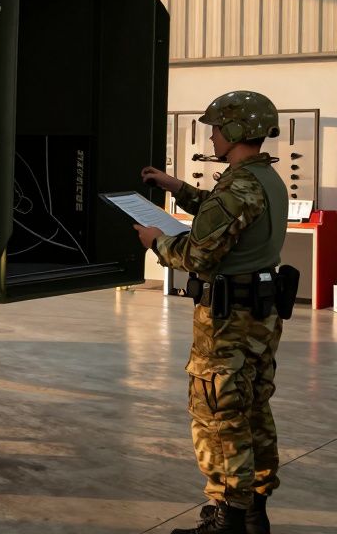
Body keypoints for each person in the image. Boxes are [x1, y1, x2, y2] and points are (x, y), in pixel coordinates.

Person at [134, 91, 287, 534]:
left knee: (218, 414)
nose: (214, 136)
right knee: (253, 407)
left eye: (217, 128)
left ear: (236, 130)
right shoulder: (263, 180)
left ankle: (228, 518)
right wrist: (176, 188)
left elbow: (199, 254)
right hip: (259, 318)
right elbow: (224, 216)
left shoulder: (239, 185)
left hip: (227, 324)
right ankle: (254, 512)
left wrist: (155, 241)